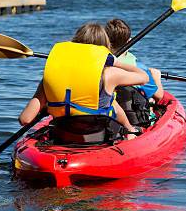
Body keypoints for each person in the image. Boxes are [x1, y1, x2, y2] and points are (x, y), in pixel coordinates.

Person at [18, 22, 149, 139]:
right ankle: (131, 130)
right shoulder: (110, 74)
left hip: (63, 136)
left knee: (111, 101)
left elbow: (25, 119)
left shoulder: (52, 76)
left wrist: (47, 105)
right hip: (99, 136)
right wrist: (115, 62)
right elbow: (144, 77)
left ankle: (130, 129)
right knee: (109, 101)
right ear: (104, 47)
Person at [104, 18, 164, 101]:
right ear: (129, 41)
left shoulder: (98, 61)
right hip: (129, 110)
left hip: (105, 107)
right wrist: (156, 76)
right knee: (151, 100)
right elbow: (159, 95)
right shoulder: (139, 68)